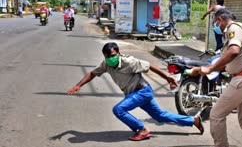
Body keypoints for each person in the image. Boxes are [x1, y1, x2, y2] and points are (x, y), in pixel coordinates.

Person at [67, 42, 204, 141]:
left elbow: (149, 66)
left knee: (118, 109)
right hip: (136, 94)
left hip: (142, 91)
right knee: (160, 116)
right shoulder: (106, 64)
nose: (110, 58)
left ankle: (142, 129)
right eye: (107, 56)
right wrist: (78, 85)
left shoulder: (129, 62)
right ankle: (193, 120)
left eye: (113, 55)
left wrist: (167, 78)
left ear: (118, 53)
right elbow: (92, 73)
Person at [189, 8, 242, 147]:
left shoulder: (234, 28)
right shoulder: (233, 33)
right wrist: (201, 69)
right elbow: (227, 62)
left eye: (216, 22)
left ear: (220, 19)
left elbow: (234, 51)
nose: (216, 26)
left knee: (216, 114)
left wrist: (209, 68)